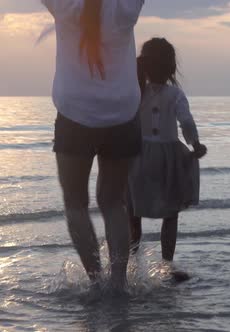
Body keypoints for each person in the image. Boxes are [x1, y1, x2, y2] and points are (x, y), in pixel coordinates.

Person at [42, 0, 144, 290]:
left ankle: (96, 280)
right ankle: (119, 284)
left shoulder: (66, 5)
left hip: (75, 114)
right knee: (114, 201)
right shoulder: (125, 7)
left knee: (75, 203)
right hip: (122, 113)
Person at [127, 38, 207, 273]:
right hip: (168, 157)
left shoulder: (135, 92)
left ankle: (131, 264)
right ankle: (167, 264)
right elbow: (186, 121)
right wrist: (195, 144)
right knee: (170, 213)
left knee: (133, 213)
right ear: (172, 67)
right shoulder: (175, 94)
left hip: (137, 155)